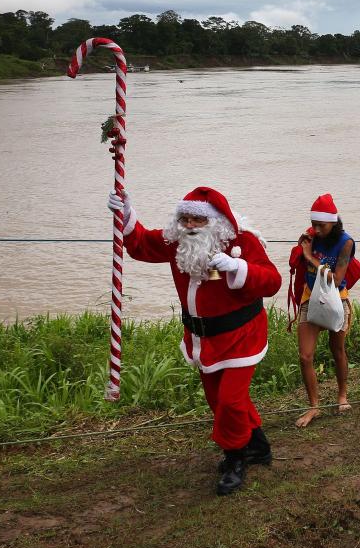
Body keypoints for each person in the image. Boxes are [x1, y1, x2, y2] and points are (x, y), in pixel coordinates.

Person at [108, 187, 282, 496]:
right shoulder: (177, 243)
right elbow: (141, 245)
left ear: (215, 221)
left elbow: (272, 281)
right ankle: (258, 446)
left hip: (242, 336)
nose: (189, 225)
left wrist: (239, 268)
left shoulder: (242, 241)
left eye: (197, 220)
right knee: (219, 401)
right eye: (184, 218)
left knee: (229, 400)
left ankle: (235, 458)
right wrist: (125, 214)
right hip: (203, 339)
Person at [293, 194, 355, 429]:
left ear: (333, 222)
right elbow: (300, 261)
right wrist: (302, 249)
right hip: (311, 297)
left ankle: (342, 396)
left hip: (336, 299)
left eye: (322, 225)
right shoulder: (311, 237)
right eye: (314, 224)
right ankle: (314, 406)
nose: (317, 229)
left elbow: (337, 279)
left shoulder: (346, 242)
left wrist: (310, 257)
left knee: (337, 349)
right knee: (305, 356)